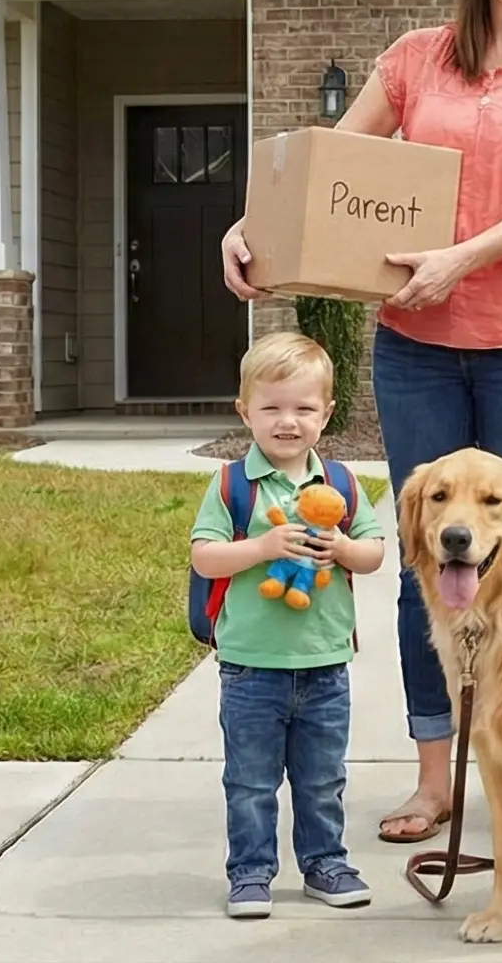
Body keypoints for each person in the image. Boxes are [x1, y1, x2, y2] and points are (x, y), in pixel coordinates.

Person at [220, 0, 502, 850]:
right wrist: (248, 226)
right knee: (422, 568)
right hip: (417, 352)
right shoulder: (413, 60)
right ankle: (435, 779)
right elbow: (326, 169)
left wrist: (460, 258)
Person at [188, 331, 388, 918]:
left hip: (325, 663)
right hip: (251, 666)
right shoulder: (232, 485)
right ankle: (250, 873)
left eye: (303, 409)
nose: (287, 422)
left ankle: (325, 863)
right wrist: (263, 545)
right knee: (250, 782)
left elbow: (375, 553)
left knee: (322, 779)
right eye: (271, 408)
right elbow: (205, 556)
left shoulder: (342, 485)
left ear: (326, 414)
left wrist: (343, 550)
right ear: (244, 410)